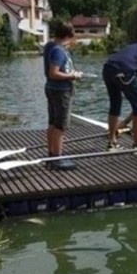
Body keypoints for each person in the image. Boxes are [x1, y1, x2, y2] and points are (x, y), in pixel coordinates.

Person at [43, 20, 83, 170]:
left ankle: (51, 155)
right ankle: (57, 158)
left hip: (51, 88)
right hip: (61, 91)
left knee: (53, 123)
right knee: (60, 125)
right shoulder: (59, 51)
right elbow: (53, 73)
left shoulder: (50, 46)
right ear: (67, 35)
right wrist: (72, 76)